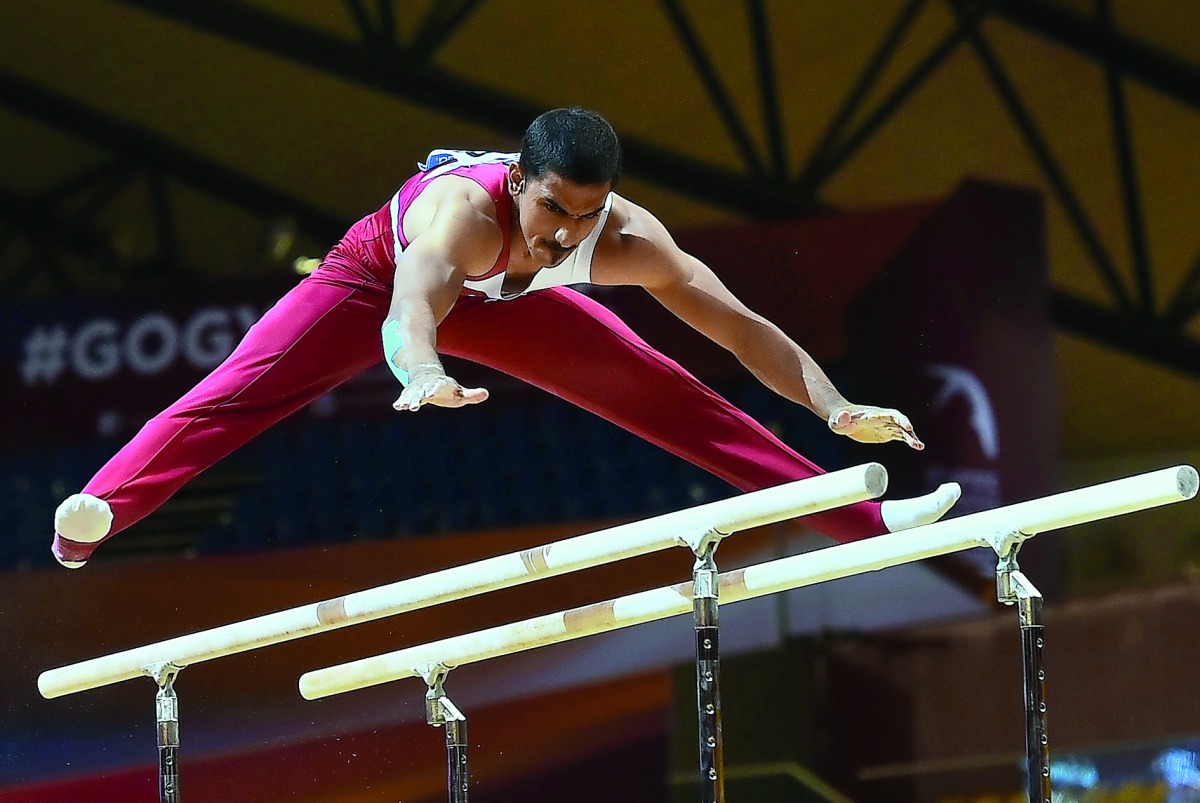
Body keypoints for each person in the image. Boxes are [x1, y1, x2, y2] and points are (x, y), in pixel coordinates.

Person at [52, 108, 959, 569]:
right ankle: (98, 515)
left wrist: (834, 405)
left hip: (510, 307)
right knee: (243, 387)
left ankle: (862, 517)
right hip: (377, 277)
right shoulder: (460, 215)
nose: (567, 235)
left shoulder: (628, 240)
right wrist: (421, 369)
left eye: (587, 216)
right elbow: (408, 310)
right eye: (552, 208)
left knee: (667, 394)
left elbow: (737, 328)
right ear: (516, 181)